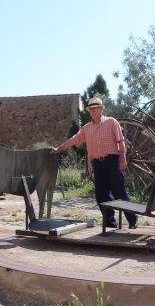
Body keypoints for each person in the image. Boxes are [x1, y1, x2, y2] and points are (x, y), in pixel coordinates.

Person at [50, 96, 137, 229]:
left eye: (95, 108)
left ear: (102, 109)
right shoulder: (86, 128)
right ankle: (110, 223)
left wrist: (123, 158)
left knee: (119, 192)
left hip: (112, 161)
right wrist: (58, 149)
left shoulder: (112, 122)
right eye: (90, 109)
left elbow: (121, 142)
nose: (92, 111)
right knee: (101, 195)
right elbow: (73, 140)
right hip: (97, 164)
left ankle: (133, 220)